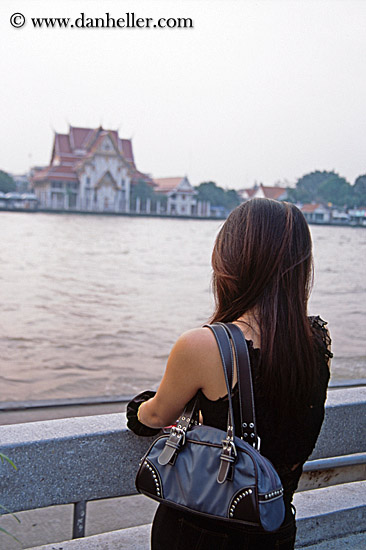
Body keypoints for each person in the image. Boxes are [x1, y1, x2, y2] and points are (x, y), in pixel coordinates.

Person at [127, 198, 332, 550]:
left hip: (204, 531)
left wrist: (139, 408)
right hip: (276, 524)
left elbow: (156, 416)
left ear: (229, 260)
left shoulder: (203, 345)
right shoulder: (315, 341)